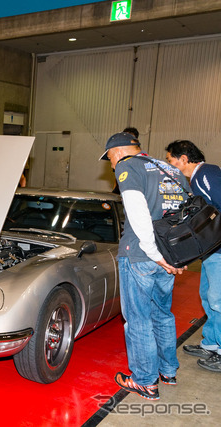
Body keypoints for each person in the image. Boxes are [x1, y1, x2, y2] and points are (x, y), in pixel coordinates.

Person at [101, 132, 189, 400]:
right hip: (169, 255)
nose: (112, 166)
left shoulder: (128, 166)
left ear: (117, 152)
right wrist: (174, 257)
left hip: (141, 255)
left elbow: (138, 213)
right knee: (162, 313)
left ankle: (144, 381)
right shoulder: (170, 169)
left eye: (110, 160)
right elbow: (186, 213)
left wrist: (153, 253)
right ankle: (168, 371)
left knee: (137, 320)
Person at [166, 139, 221, 373]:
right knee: (208, 297)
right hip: (212, 250)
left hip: (220, 249)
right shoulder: (196, 178)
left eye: (171, 161)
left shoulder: (206, 174)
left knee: (219, 300)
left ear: (184, 159)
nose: (170, 165)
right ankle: (211, 343)